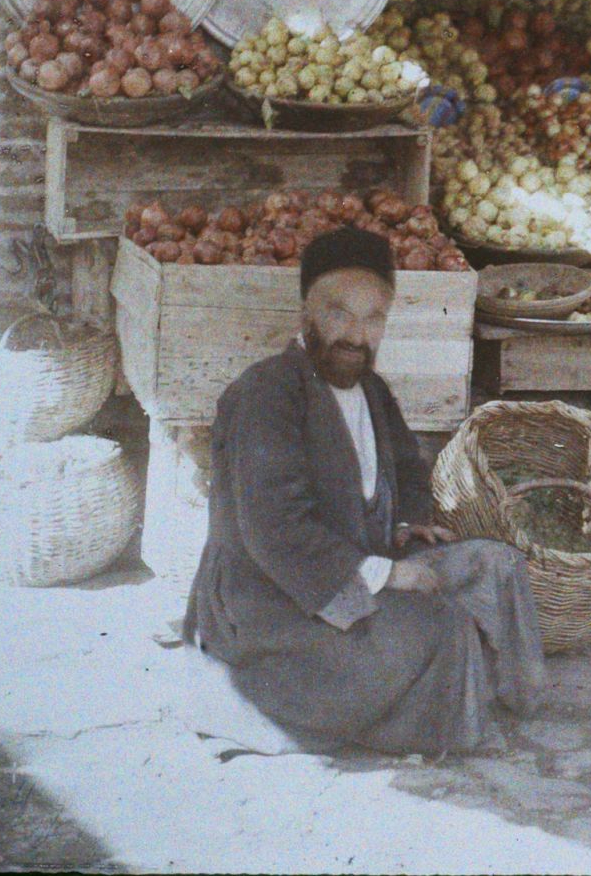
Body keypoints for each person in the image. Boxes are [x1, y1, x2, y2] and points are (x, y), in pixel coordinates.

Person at [184, 226, 545, 754]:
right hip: (274, 602)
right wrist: (388, 575)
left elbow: (409, 467)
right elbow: (274, 530)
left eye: (374, 318)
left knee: (499, 565)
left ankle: (508, 701)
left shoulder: (371, 389)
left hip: (358, 564)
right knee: (439, 625)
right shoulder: (266, 393)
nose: (357, 335)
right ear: (305, 312)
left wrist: (408, 522)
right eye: (339, 313)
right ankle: (264, 706)